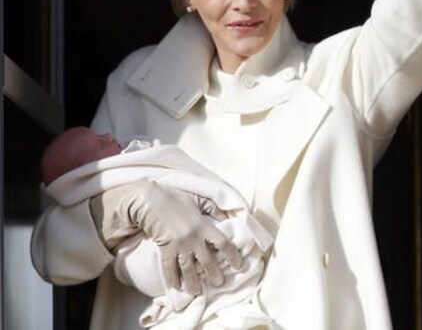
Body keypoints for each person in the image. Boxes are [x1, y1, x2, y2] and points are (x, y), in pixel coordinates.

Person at [31, 0, 422, 328]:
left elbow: (407, 24)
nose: (243, 2)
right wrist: (127, 202)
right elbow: (52, 255)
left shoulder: (338, 75)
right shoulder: (137, 85)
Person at [40, 126, 274, 328]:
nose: (110, 136)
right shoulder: (126, 92)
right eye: (102, 142)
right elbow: (50, 243)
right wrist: (121, 204)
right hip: (147, 276)